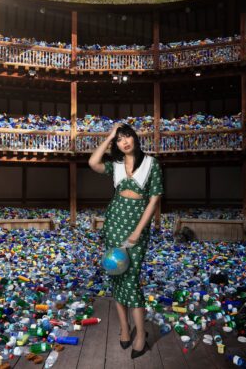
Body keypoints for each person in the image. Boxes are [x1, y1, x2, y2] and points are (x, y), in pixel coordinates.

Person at [88, 123, 163, 359]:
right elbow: (93, 162)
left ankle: (140, 334)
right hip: (114, 222)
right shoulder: (116, 165)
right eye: (119, 139)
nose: (124, 141)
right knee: (116, 275)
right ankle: (123, 328)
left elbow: (153, 200)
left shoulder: (152, 163)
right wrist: (109, 135)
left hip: (135, 226)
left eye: (127, 136)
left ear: (135, 138)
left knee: (131, 279)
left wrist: (138, 231)